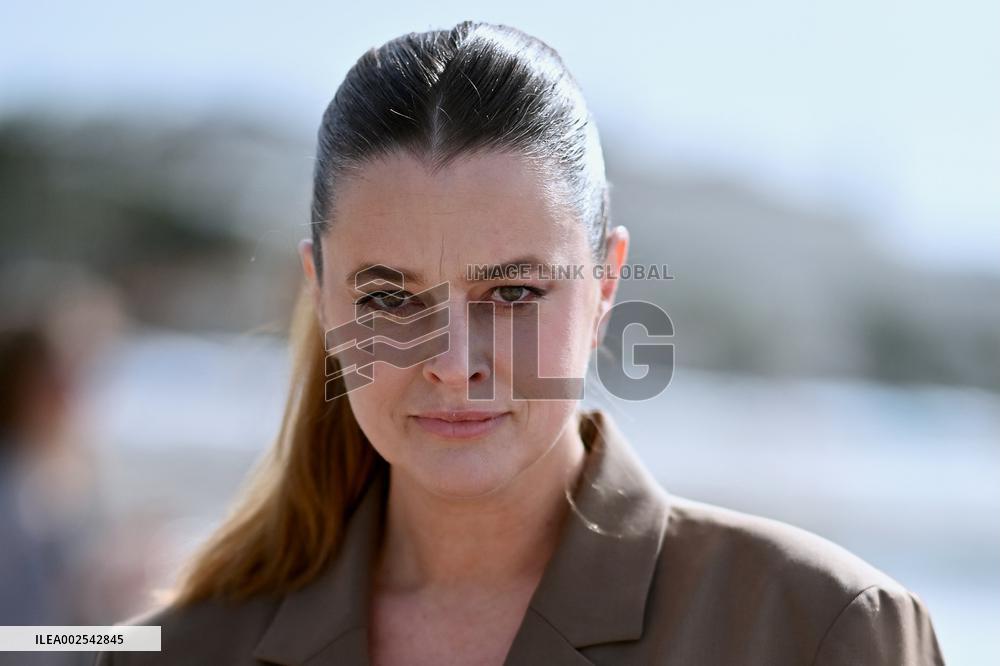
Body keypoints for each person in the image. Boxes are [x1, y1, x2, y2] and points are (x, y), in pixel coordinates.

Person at [95, 20, 944, 665]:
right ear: (319, 295)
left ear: (606, 285)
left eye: (511, 293)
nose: (452, 361)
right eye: (390, 296)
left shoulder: (818, 630)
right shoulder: (177, 649)